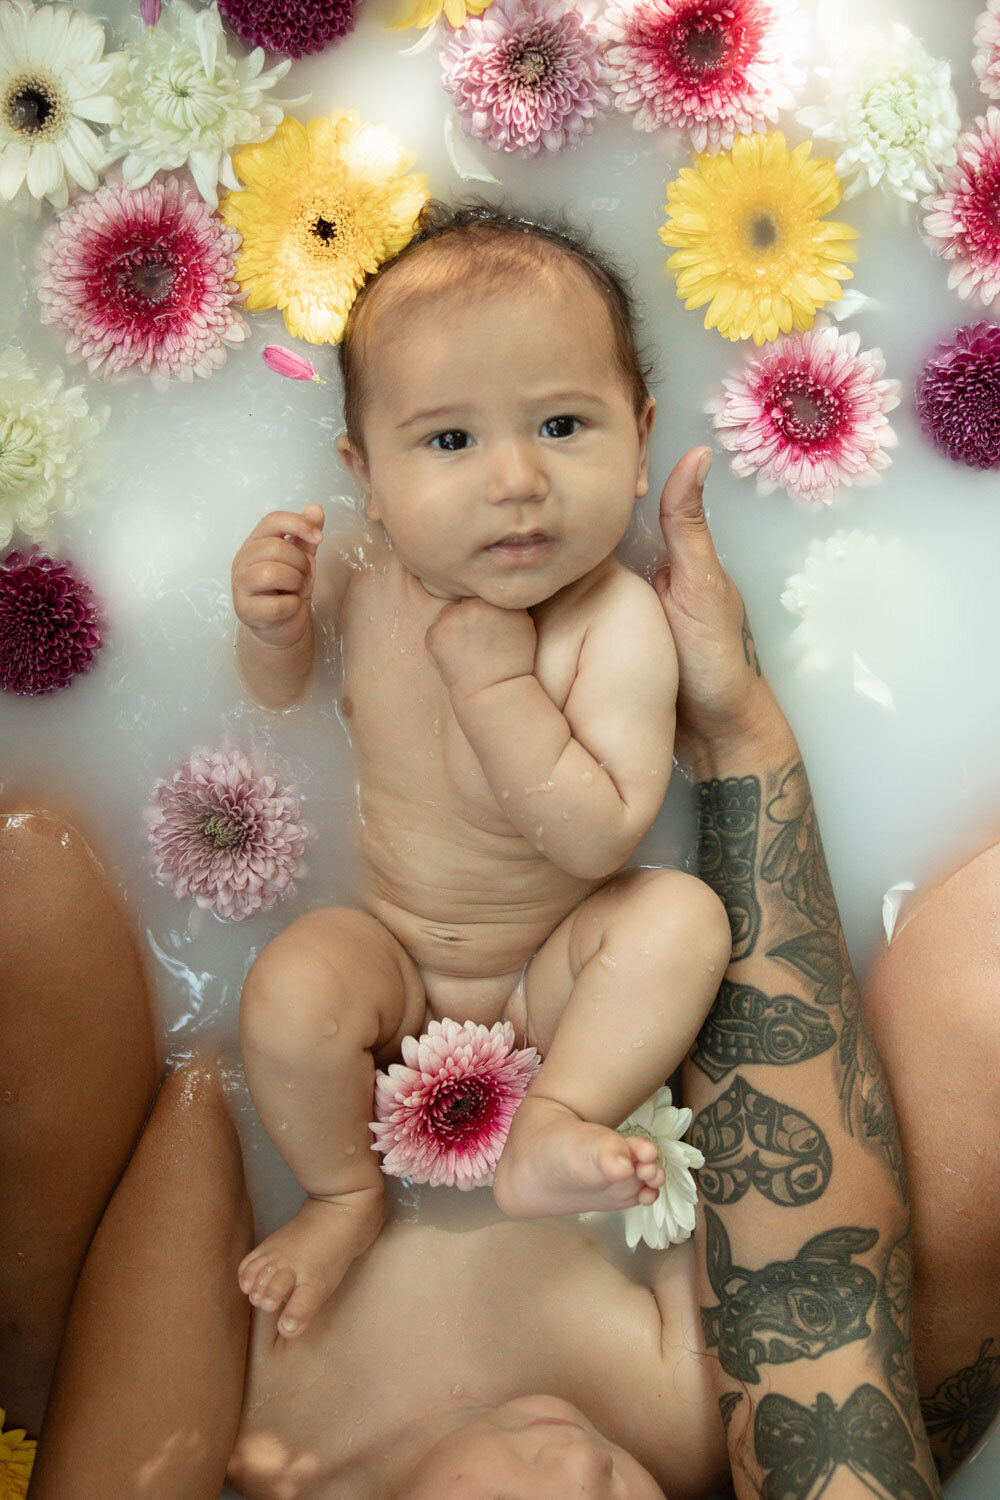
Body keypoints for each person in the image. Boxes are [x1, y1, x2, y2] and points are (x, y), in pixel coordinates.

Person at [6, 451, 997, 1499]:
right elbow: (788, 1260)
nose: (580, 1464)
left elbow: (193, 1129)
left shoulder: (267, 1431)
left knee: (32, 899)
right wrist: (728, 723)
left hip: (386, 1037)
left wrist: (258, 1116)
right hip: (564, 1032)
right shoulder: (673, 1413)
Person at [229, 204, 732, 1339]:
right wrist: (270, 633)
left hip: (548, 977)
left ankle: (555, 1121)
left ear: (640, 439)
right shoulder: (363, 570)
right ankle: (342, 1192)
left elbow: (602, 836)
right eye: (448, 442)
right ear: (365, 471)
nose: (514, 480)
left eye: (562, 425)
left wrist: (496, 688)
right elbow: (281, 701)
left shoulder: (614, 621)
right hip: (394, 950)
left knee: (679, 920)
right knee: (293, 989)